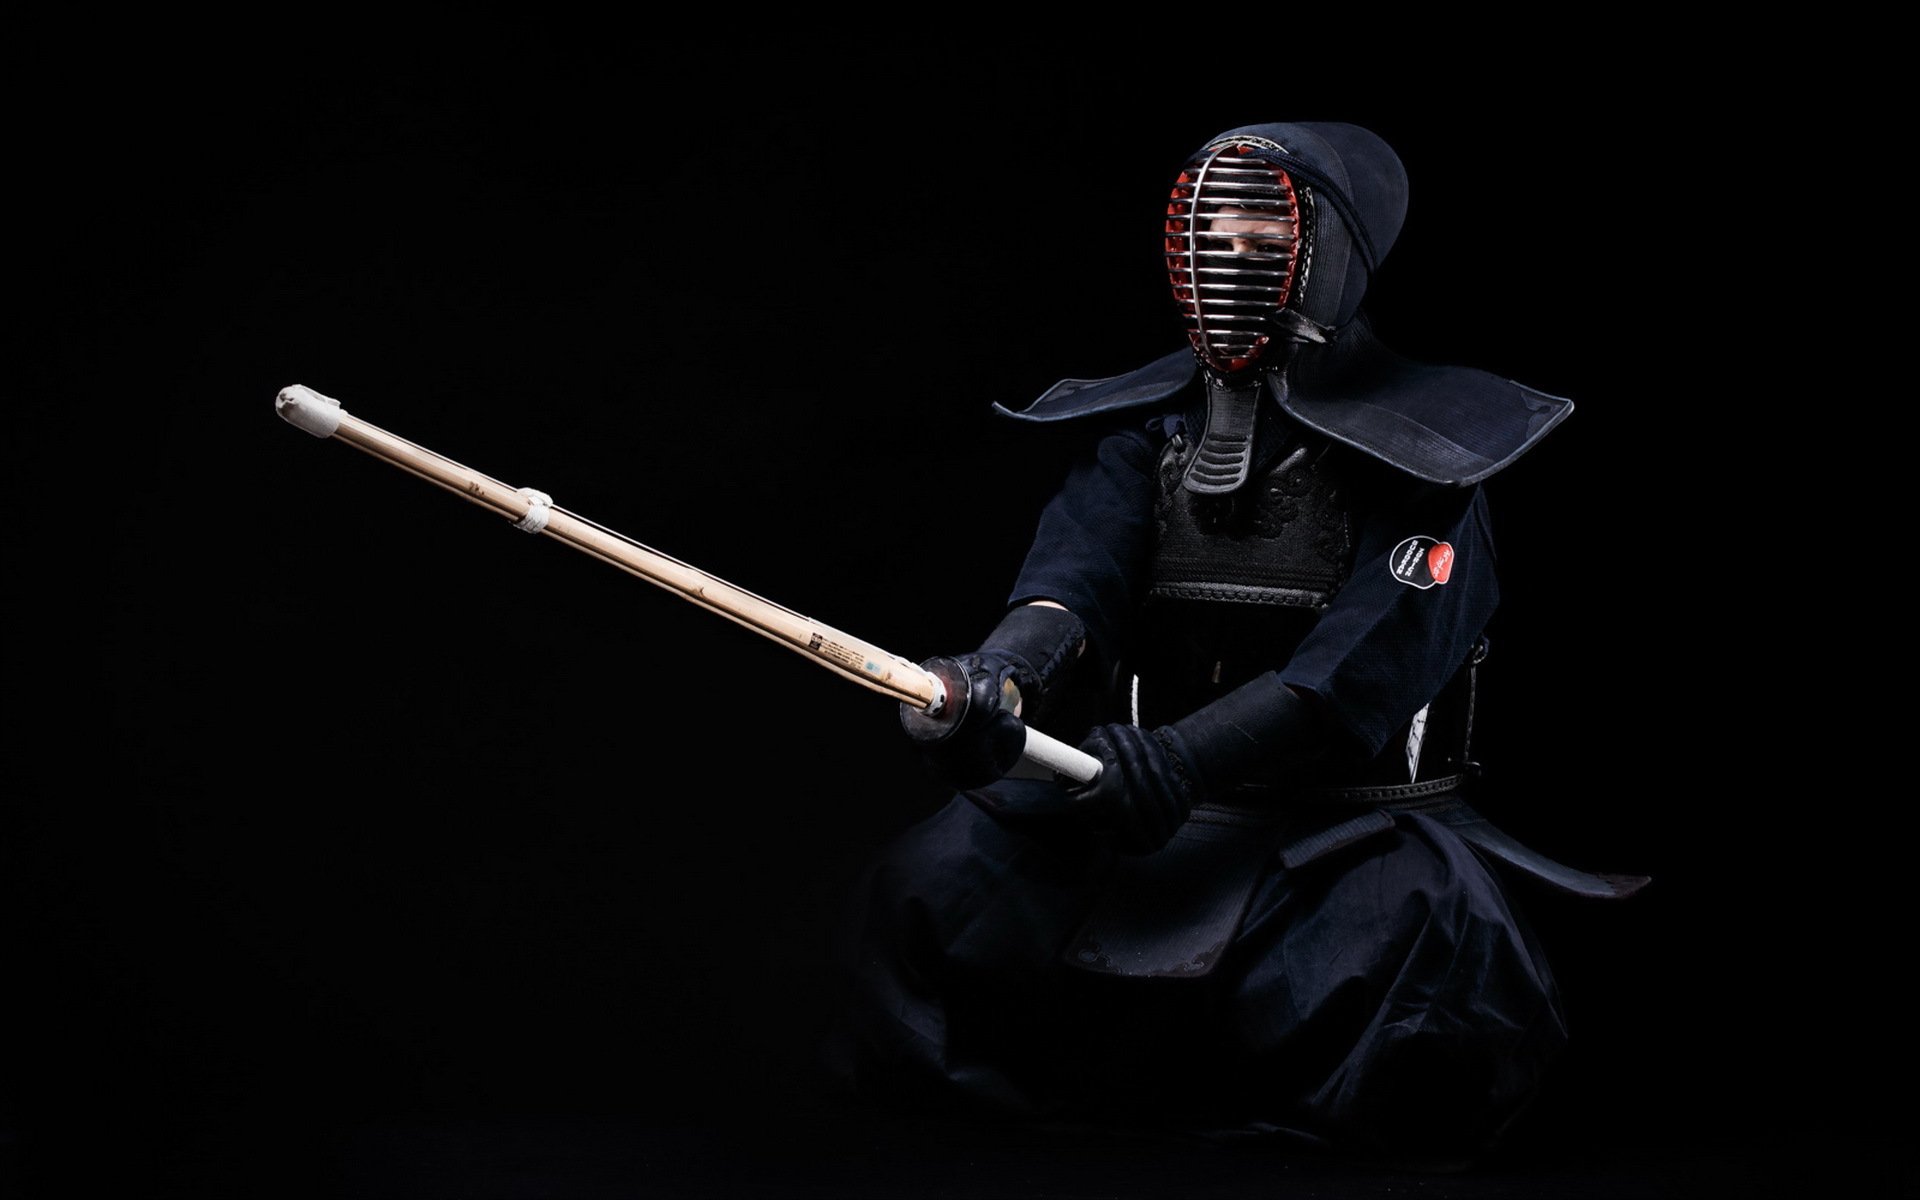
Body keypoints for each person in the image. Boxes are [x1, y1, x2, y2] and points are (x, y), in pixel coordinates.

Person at [823, 120, 1646, 1167]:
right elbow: (1069, 590)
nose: (1230, 257)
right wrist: (996, 681)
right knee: (930, 882)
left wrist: (1185, 756)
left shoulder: (1433, 465)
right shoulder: (1149, 432)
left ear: (1328, 251)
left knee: (1419, 944)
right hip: (1133, 798)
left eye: (1262, 233)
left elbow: (1352, 674)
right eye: (1210, 234)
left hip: (1339, 825)